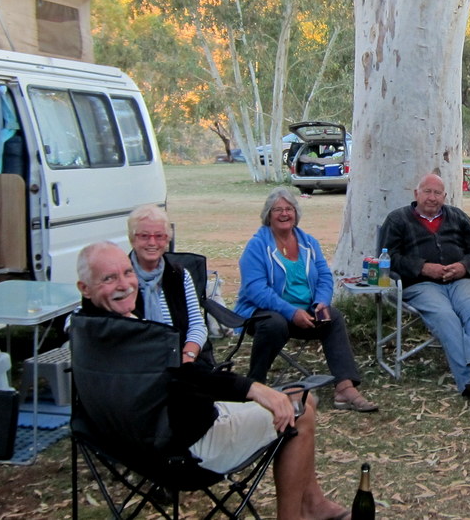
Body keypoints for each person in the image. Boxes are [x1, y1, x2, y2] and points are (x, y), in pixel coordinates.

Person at [73, 242, 349, 520]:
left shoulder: (86, 329)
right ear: (85, 287)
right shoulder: (139, 338)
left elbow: (182, 374)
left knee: (302, 397)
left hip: (133, 446)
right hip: (183, 450)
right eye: (109, 278)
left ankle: (313, 504)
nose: (125, 284)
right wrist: (253, 389)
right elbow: (188, 376)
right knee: (301, 410)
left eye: (127, 272)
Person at [236, 187, 377, 412]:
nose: (284, 214)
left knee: (334, 317)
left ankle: (344, 387)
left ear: (296, 213)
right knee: (275, 323)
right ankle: (255, 385)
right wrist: (291, 312)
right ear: (268, 215)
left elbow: (323, 276)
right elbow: (255, 290)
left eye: (289, 209)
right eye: (278, 210)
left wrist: (321, 303)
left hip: (306, 312)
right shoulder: (257, 246)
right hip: (264, 314)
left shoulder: (308, 242)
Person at [379, 172, 470, 413]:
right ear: (416, 194)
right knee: (446, 317)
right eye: (427, 191)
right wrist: (423, 268)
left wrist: (463, 267)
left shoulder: (458, 217)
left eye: (437, 193)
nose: (432, 197)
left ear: (444, 196)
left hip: (460, 280)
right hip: (420, 285)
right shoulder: (397, 220)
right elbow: (388, 257)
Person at [126, 204, 210, 367]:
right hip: (137, 365)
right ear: (132, 239)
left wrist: (188, 356)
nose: (152, 242)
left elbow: (197, 325)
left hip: (180, 359)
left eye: (159, 236)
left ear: (167, 240)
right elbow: (83, 317)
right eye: (144, 236)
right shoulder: (121, 277)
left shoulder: (179, 275)